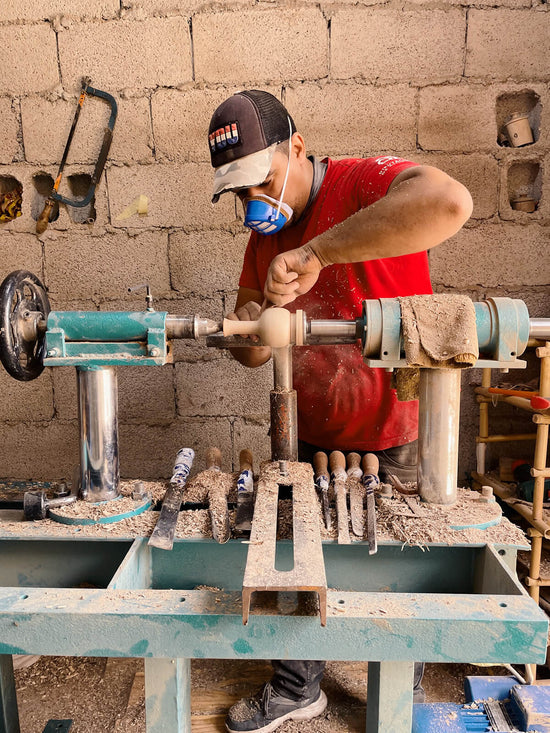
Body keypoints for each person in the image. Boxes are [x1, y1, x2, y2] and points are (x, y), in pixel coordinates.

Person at [208, 90, 473, 733]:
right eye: (238, 194)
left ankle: (392, 690)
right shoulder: (259, 239)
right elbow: (251, 347)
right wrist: (249, 327)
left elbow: (449, 203)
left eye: (259, 183)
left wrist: (318, 253)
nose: (252, 207)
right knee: (299, 559)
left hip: (396, 425)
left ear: (296, 147)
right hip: (307, 429)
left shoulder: (360, 183)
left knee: (394, 567)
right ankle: (300, 685)